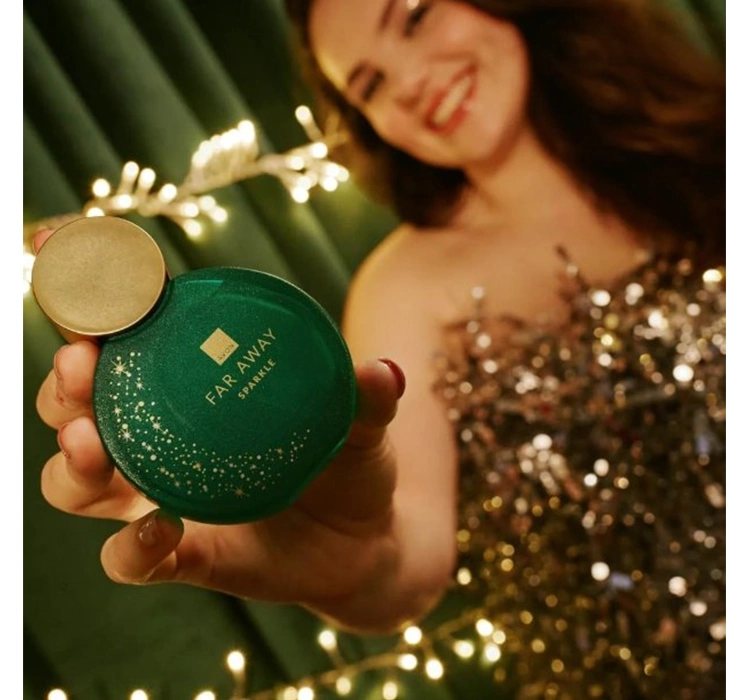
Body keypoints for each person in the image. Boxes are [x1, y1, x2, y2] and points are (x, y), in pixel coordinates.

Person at [34, 0, 725, 697]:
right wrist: (357, 566)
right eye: (371, 85)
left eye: (414, 17)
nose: (412, 82)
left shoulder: (717, 134)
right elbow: (407, 563)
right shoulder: (406, 290)